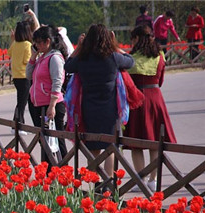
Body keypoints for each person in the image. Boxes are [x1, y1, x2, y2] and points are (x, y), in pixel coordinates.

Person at [64, 24, 134, 191]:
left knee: (93, 146)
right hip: (110, 108)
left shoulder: (83, 59)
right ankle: (109, 182)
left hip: (89, 108)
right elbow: (131, 61)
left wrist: (79, 48)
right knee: (110, 147)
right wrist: (115, 44)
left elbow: (68, 65)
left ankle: (96, 182)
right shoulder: (113, 57)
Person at [126, 25, 177, 193]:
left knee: (136, 143)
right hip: (155, 98)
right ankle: (153, 180)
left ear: (137, 39)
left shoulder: (131, 58)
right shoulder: (159, 56)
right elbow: (160, 80)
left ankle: (140, 178)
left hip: (137, 99)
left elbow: (127, 82)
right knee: (154, 142)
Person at [26, 25, 69, 166]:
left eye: (38, 42)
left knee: (57, 140)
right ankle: (49, 171)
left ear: (47, 41)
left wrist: (52, 105)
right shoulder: (42, 57)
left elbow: (58, 81)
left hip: (51, 105)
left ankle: (64, 169)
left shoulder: (55, 58)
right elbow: (28, 75)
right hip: (39, 104)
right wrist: (33, 56)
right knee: (44, 140)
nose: (36, 45)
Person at [8, 21, 32, 125]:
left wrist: (12, 40)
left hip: (16, 76)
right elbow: (27, 60)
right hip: (25, 76)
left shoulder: (15, 44)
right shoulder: (27, 45)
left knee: (20, 100)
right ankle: (18, 124)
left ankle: (17, 122)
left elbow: (9, 53)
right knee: (22, 102)